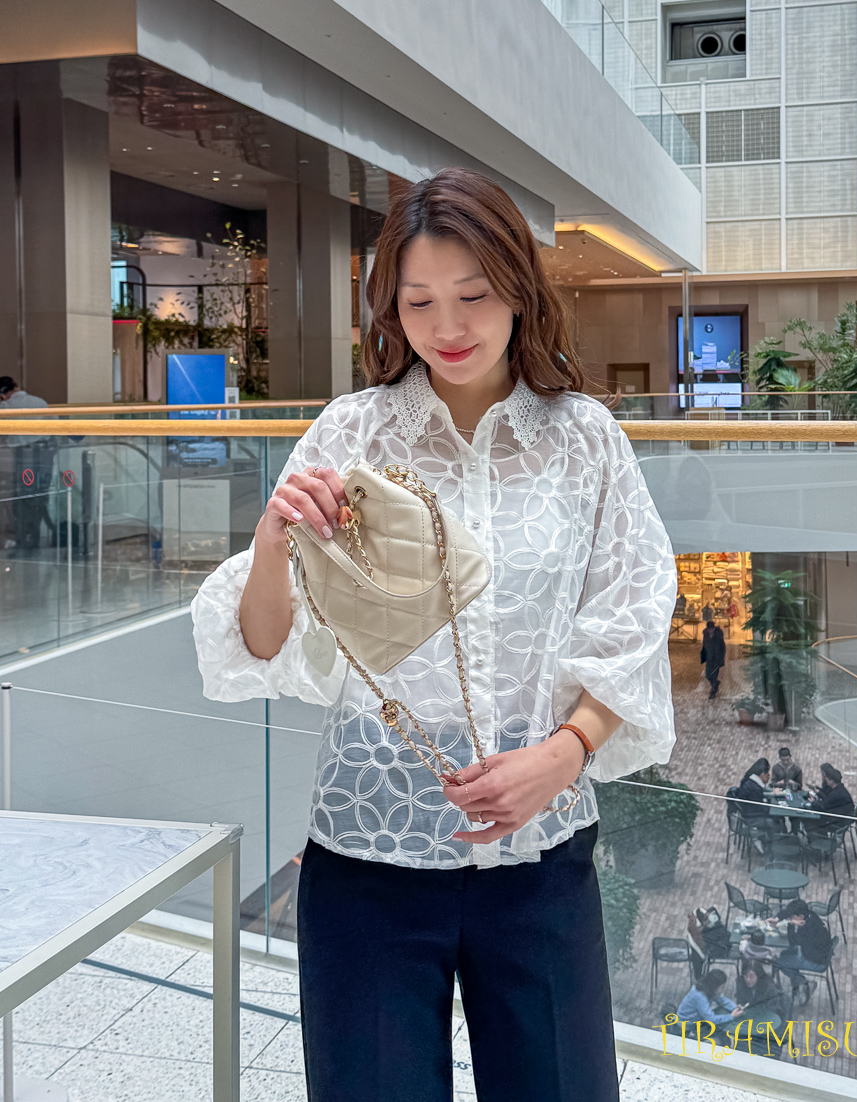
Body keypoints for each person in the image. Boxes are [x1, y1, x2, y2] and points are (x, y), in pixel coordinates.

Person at [191, 168, 678, 1102]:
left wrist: (565, 754)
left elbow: (631, 617)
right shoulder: (353, 431)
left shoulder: (584, 440)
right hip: (370, 850)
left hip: (540, 852)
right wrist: (272, 540)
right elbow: (263, 640)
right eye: (418, 301)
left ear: (520, 290)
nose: (447, 326)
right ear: (390, 307)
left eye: (474, 295)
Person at [0, 376, 52, 552]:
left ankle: (22, 537)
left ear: (3, 395)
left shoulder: (6, 407)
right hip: (44, 455)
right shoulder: (41, 402)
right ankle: (34, 535)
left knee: (21, 496)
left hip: (21, 456)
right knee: (40, 495)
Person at [769, 900, 831, 1005]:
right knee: (784, 954)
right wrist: (777, 918)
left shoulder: (807, 929)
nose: (790, 917)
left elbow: (793, 942)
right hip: (814, 952)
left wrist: (790, 924)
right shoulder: (810, 915)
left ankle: (804, 983)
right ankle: (798, 985)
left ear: (800, 917)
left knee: (779, 962)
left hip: (815, 960)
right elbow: (787, 912)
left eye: (792, 917)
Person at [677, 969, 744, 1030]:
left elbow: (722, 1000)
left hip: (697, 1021)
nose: (722, 990)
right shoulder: (700, 997)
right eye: (722, 987)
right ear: (714, 986)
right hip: (686, 1026)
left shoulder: (709, 989)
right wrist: (731, 1016)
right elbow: (711, 1020)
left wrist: (735, 1008)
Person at [804, 762, 855, 836]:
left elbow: (823, 806)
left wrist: (813, 802)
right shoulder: (839, 789)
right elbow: (827, 800)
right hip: (841, 817)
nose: (825, 780)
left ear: (832, 781)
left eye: (827, 779)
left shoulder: (835, 794)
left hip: (837, 822)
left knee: (809, 821)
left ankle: (817, 839)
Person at [700, 620, 726, 699]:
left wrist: (721, 657)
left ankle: (713, 690)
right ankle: (715, 684)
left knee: (714, 673)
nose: (710, 630)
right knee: (708, 674)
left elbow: (722, 645)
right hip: (709, 656)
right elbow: (704, 645)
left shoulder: (718, 633)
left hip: (717, 656)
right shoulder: (705, 633)